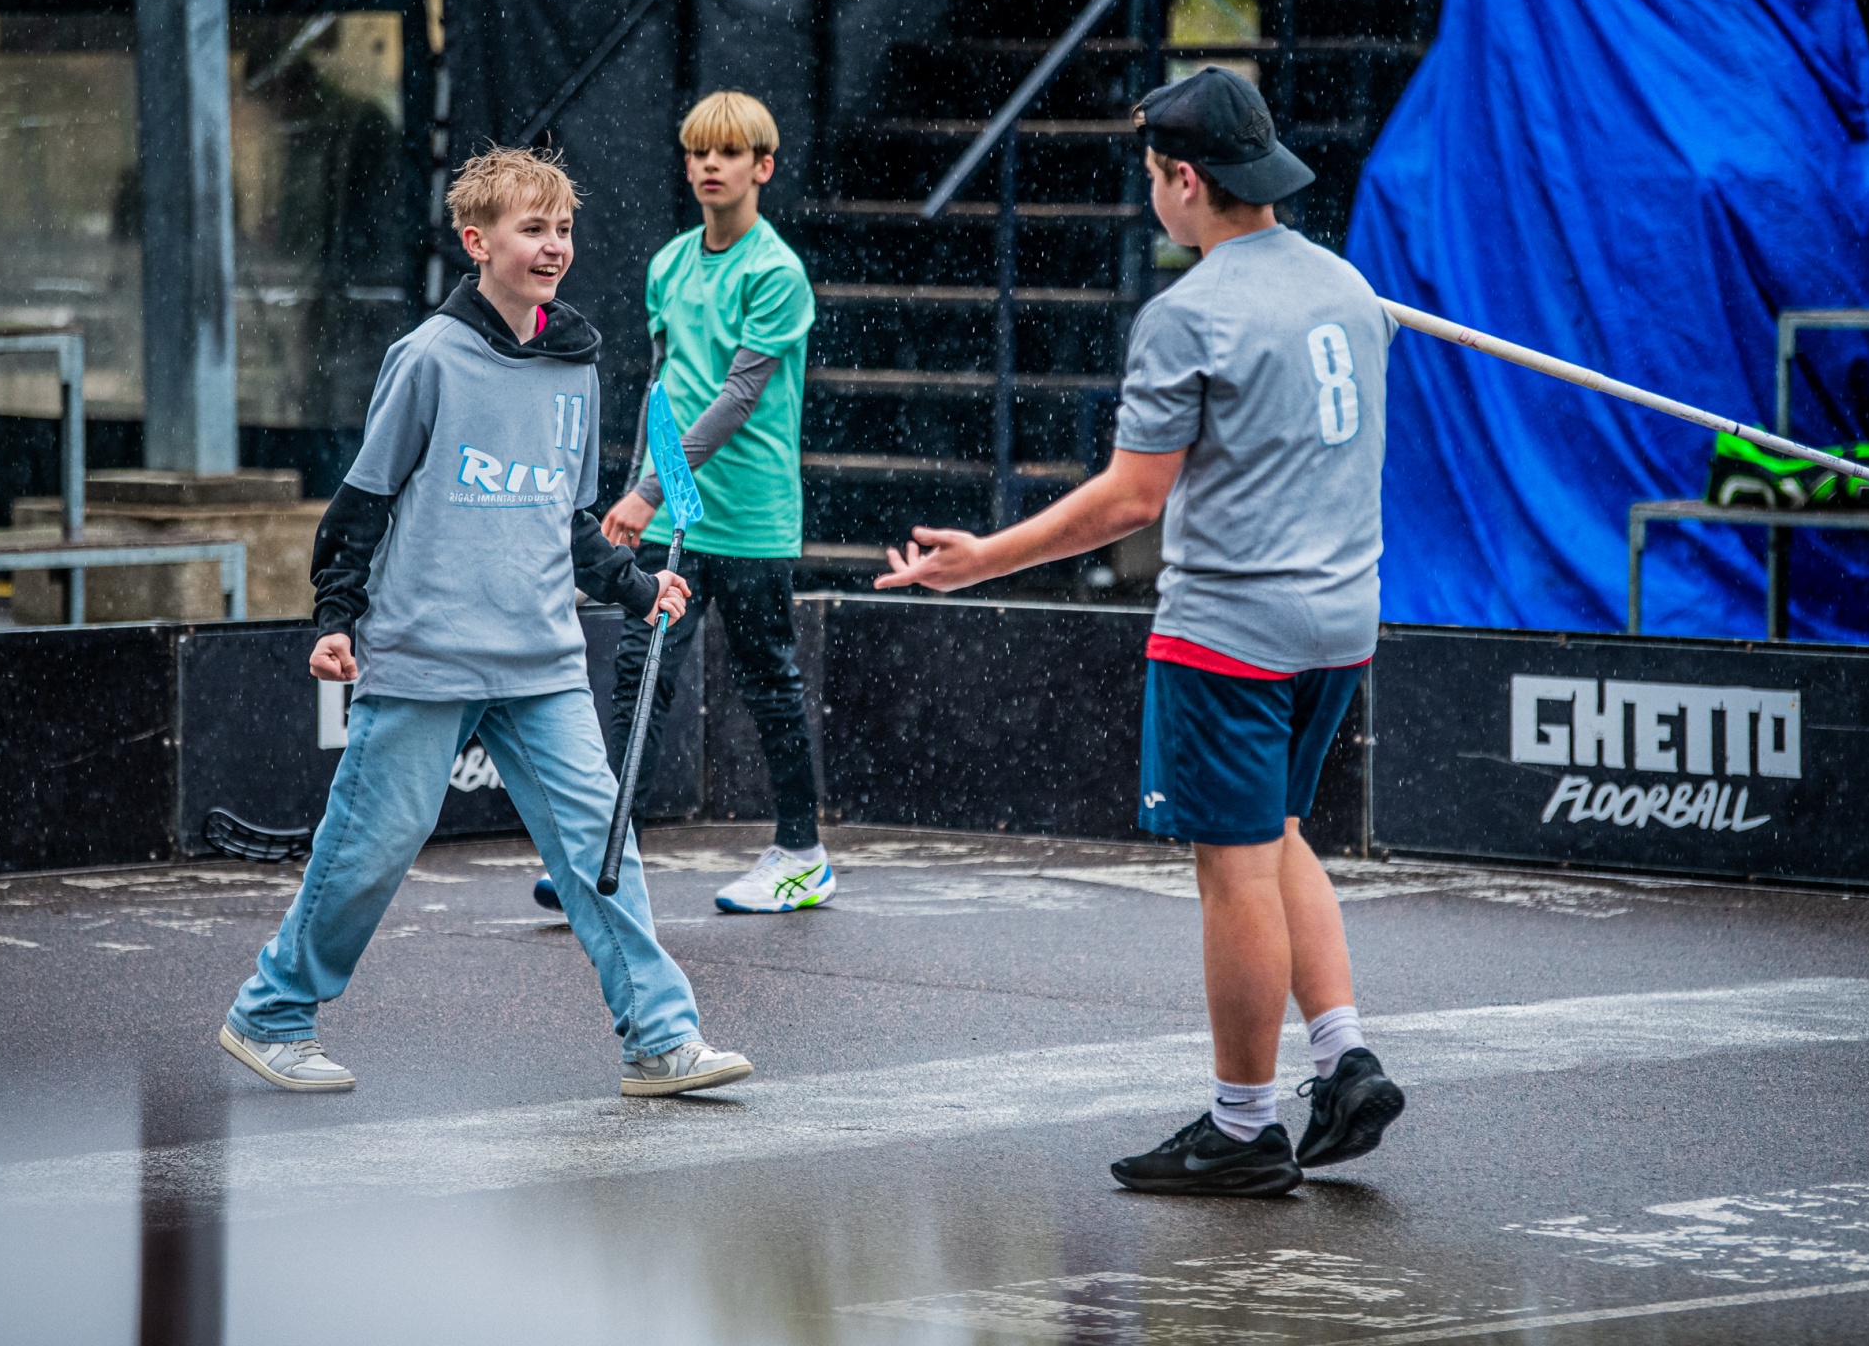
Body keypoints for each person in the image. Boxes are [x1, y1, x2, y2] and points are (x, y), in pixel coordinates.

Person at [876, 67, 1404, 1197]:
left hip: (1233, 630)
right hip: (1340, 621)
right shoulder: (1350, 288)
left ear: (1185, 181)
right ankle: (1343, 1058)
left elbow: (1130, 501)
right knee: (1278, 833)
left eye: (1155, 177)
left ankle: (1243, 1128)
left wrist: (982, 559)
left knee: (1234, 867)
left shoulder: (1188, 315)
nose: (1152, 195)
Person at [218, 145, 753, 1098]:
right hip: (425, 655)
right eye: (532, 229)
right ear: (477, 242)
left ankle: (660, 1040)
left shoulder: (577, 365)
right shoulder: (426, 358)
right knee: (371, 847)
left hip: (541, 660)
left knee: (602, 847)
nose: (554, 247)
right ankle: (272, 1013)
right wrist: (336, 616)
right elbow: (362, 503)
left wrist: (639, 590)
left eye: (564, 230)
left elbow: (570, 521)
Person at [537, 90, 827, 916]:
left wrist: (644, 490)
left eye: (728, 153)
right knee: (640, 677)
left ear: (762, 167)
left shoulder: (776, 273)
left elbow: (736, 400)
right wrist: (638, 492)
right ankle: (609, 853)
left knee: (769, 681)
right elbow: (663, 391)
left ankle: (803, 855)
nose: (709, 166)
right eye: (699, 152)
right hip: (671, 522)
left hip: (751, 519)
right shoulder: (668, 264)